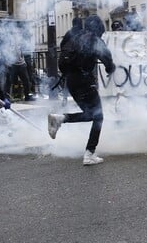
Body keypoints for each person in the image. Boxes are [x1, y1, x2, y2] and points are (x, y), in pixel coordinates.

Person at [47, 15, 115, 166]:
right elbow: (107, 58)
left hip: (71, 81)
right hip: (84, 81)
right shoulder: (94, 39)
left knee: (90, 114)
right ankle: (89, 153)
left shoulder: (76, 36)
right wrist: (111, 68)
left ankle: (61, 119)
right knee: (98, 116)